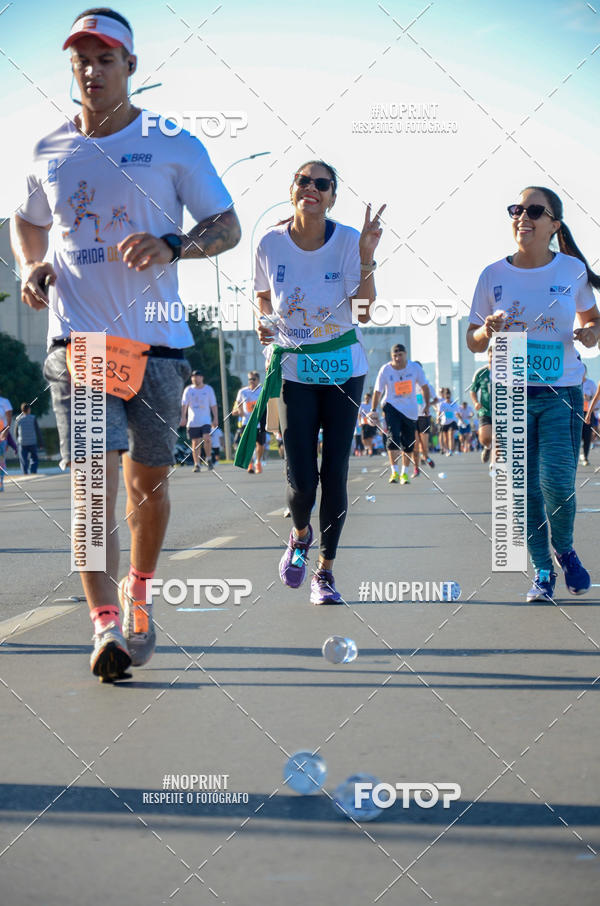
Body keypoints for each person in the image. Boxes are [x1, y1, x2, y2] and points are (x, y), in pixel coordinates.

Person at [11, 8, 240, 680]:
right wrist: (31, 266)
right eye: (81, 59)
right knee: (91, 489)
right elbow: (27, 224)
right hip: (80, 345)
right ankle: (105, 626)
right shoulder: (49, 149)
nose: (91, 71)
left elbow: (225, 225)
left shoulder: (173, 143)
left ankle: (139, 593)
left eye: (105, 59)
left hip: (159, 348)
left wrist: (175, 244)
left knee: (148, 486)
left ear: (130, 67)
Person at [236, 159, 384, 604]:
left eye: (323, 184)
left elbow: (362, 314)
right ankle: (300, 535)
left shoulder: (348, 243)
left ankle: (325, 572)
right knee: (302, 482)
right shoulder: (269, 243)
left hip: (342, 368)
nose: (313, 189)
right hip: (294, 371)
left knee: (333, 471)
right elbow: (263, 297)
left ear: (333, 197)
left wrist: (367, 258)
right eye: (305, 181)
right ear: (292, 190)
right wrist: (263, 321)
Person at [467, 185, 600, 601]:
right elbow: (473, 341)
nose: (523, 216)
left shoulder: (572, 270)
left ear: (553, 225)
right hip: (510, 393)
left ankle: (565, 550)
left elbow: (594, 322)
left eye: (534, 211)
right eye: (517, 209)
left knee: (557, 483)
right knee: (522, 490)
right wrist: (485, 330)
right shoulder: (493, 274)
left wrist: (589, 333)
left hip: (561, 389)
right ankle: (543, 570)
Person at [370, 344, 429, 483]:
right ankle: (394, 472)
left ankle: (404, 473)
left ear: (406, 354)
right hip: (391, 406)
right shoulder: (385, 370)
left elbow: (425, 387)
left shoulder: (414, 368)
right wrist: (373, 410)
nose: (398, 358)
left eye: (400, 355)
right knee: (393, 436)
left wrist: (426, 405)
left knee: (408, 443)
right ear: (392, 357)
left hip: (410, 410)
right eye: (395, 356)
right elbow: (377, 391)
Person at [180, 371, 218, 472]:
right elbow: (184, 405)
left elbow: (213, 405)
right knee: (195, 442)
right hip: (193, 421)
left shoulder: (208, 389)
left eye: (197, 377)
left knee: (207, 438)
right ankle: (197, 464)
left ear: (202, 378)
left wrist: (215, 418)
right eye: (193, 377)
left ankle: (209, 458)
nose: (195, 379)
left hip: (205, 420)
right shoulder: (188, 390)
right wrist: (183, 417)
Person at [233, 372, 265, 473]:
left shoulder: (262, 390)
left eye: (253, 379)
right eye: (250, 379)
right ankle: (250, 464)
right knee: (248, 444)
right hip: (246, 422)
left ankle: (258, 462)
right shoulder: (243, 391)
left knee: (260, 443)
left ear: (258, 380)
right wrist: (240, 410)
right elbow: (238, 402)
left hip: (260, 422)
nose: (251, 381)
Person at [470, 346, 494, 464]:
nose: (494, 358)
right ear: (488, 357)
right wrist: (475, 402)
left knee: (500, 440)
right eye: (491, 356)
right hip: (485, 410)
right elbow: (472, 390)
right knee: (485, 438)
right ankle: (487, 447)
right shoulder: (481, 372)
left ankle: (495, 465)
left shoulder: (507, 372)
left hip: (502, 410)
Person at [414, 369, 436, 469]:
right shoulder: (409, 385)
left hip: (424, 417)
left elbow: (436, 399)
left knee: (424, 443)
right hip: (412, 417)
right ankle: (416, 467)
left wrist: (428, 405)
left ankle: (426, 456)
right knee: (415, 443)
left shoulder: (428, 386)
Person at [14, 403, 43, 474]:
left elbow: (16, 432)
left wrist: (17, 441)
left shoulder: (18, 419)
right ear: (29, 409)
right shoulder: (33, 418)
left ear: (22, 410)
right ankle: (33, 471)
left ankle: (25, 472)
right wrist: (41, 443)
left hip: (22, 442)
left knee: (23, 459)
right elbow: (38, 431)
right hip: (32, 442)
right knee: (34, 458)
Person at [580, 366, 597, 466]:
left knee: (587, 437)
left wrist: (588, 397)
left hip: (588, 413)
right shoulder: (573, 382)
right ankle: (574, 457)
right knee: (576, 437)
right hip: (576, 413)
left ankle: (585, 457)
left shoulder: (590, 383)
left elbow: (596, 397)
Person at [437, 388, 459, 456]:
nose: (448, 397)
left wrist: (459, 418)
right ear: (445, 396)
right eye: (446, 396)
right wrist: (438, 419)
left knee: (451, 435)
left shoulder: (453, 403)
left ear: (450, 395)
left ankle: (450, 450)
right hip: (444, 422)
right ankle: (447, 450)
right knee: (445, 438)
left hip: (452, 421)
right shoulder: (442, 404)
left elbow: (457, 412)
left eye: (449, 396)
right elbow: (439, 412)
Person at [0, 391, 13, 492]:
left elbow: (9, 419)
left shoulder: (4, 402)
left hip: (1, 434)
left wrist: (6, 432)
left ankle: (0, 482)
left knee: (1, 460)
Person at [359, 392, 376, 456]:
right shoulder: (362, 405)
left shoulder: (372, 405)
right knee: (363, 438)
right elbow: (359, 415)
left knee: (370, 437)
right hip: (364, 423)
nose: (367, 399)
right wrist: (360, 422)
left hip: (370, 423)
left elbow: (375, 414)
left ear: (370, 398)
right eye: (366, 398)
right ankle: (367, 447)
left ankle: (370, 450)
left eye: (368, 398)